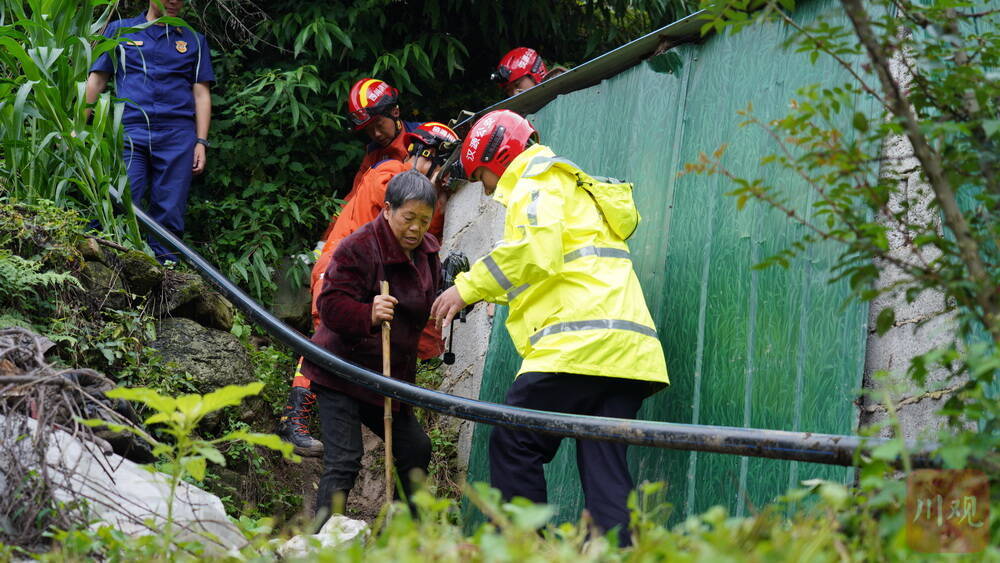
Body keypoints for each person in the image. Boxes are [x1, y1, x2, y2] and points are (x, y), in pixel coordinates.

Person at [431, 110, 669, 546]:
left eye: (482, 176)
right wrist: (496, 294)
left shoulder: (535, 178)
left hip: (580, 345)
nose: (486, 188)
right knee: (603, 462)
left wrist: (465, 289)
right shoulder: (567, 184)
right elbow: (555, 263)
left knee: (513, 440)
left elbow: (534, 251)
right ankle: (618, 553)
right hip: (629, 351)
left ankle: (524, 550)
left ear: (500, 158)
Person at [278, 122, 459, 454]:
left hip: (365, 274)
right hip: (341, 265)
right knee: (326, 337)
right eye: (441, 167)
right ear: (428, 156)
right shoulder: (391, 175)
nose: (444, 179)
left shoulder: (413, 197)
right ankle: (293, 420)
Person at [300, 170, 441, 521]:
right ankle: (321, 541)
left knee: (415, 448)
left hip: (386, 377)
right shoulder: (359, 247)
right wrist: (368, 313)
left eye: (424, 221)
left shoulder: (427, 253)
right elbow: (330, 306)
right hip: (341, 371)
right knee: (345, 460)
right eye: (408, 218)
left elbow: (427, 302)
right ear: (388, 209)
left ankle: (409, 536)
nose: (416, 228)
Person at [86, 0, 214, 263]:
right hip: (130, 129)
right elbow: (97, 80)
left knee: (170, 208)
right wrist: (77, 126)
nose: (174, 1)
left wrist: (201, 141)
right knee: (121, 195)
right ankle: (101, 261)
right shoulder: (120, 30)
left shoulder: (193, 39)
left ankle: (166, 272)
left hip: (178, 133)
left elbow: (201, 94)